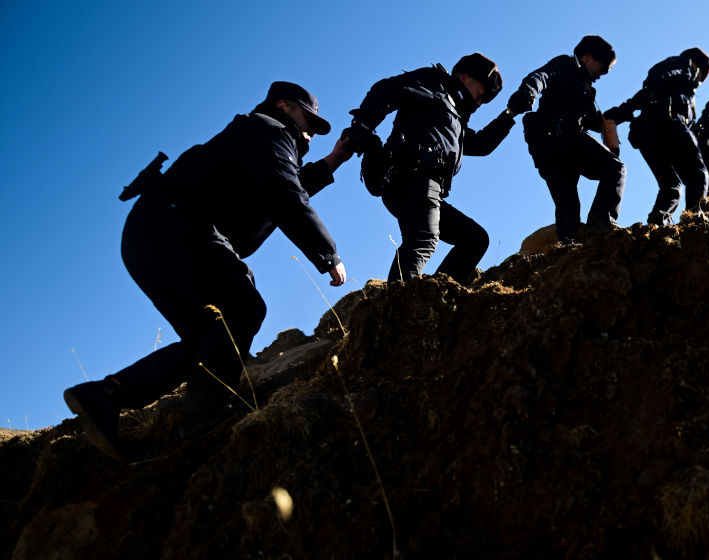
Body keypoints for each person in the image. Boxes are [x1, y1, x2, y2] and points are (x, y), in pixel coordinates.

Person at [64, 81, 353, 459]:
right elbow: (285, 191)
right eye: (308, 121)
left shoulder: (255, 138)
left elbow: (282, 183)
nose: (310, 133)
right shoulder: (268, 131)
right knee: (243, 307)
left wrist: (334, 160)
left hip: (149, 234)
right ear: (283, 106)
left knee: (210, 337)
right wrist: (327, 254)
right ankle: (204, 414)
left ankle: (106, 395)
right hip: (179, 228)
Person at [343, 53, 515, 285]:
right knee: (422, 239)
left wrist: (510, 114)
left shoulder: (454, 120)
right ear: (465, 77)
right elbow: (386, 89)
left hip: (426, 188)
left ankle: (437, 296)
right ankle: (400, 307)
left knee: (475, 239)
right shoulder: (435, 83)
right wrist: (362, 126)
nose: (478, 103)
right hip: (412, 178)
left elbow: (481, 145)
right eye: (480, 94)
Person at [507, 35, 626, 243]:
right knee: (615, 169)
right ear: (588, 56)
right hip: (560, 138)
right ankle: (600, 225)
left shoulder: (586, 87)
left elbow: (590, 121)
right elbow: (541, 76)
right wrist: (527, 92)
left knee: (568, 204)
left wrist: (616, 118)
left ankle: (568, 248)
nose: (602, 74)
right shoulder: (566, 65)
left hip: (548, 150)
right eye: (602, 67)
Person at [605, 47, 709, 225]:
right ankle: (695, 224)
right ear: (696, 65)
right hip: (668, 124)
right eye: (700, 78)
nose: (697, 83)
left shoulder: (677, 94)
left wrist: (619, 114)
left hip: (647, 135)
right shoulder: (683, 65)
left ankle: (657, 224)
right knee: (697, 175)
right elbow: (657, 78)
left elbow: (641, 97)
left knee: (671, 186)